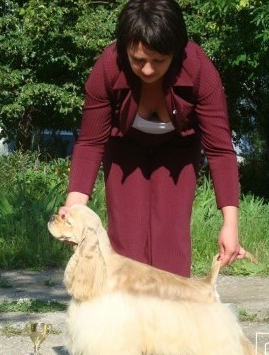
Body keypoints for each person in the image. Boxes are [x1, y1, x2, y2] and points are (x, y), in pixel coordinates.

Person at [59, 0, 248, 276]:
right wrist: (74, 208)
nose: (147, 70)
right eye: (138, 60)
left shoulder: (199, 70)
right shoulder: (107, 67)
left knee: (170, 243)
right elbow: (90, 142)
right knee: (127, 242)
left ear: (176, 51)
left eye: (159, 60)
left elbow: (220, 150)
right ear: (124, 50)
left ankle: (170, 315)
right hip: (125, 149)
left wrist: (230, 224)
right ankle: (127, 315)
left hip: (178, 151)